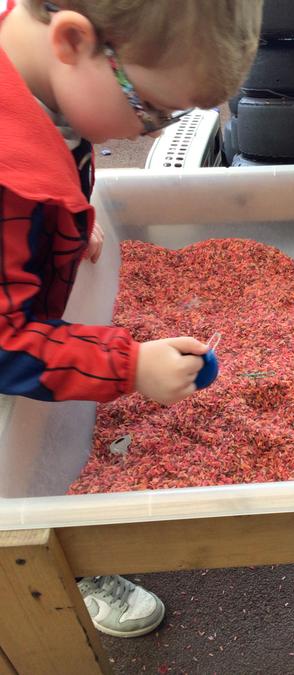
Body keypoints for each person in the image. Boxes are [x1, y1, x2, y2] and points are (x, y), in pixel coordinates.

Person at [0, 0, 263, 637]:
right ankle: (53, 582)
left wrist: (69, 223)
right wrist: (129, 366)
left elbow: (54, 163)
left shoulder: (46, 81)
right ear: (72, 41)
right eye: (151, 110)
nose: (151, 132)